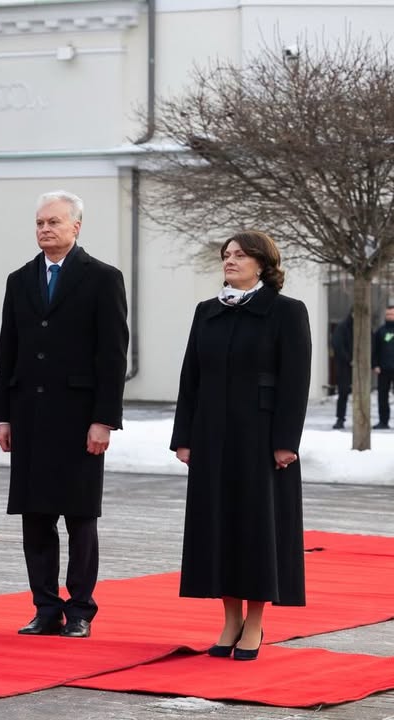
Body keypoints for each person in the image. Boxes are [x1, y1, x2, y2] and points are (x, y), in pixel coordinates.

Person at [0, 190, 128, 639]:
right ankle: (45, 607)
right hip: (29, 416)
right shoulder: (19, 279)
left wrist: (104, 419)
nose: (45, 229)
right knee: (36, 516)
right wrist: (3, 415)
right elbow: (7, 349)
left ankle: (81, 609)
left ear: (76, 227)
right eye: (39, 223)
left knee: (79, 516)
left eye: (53, 222)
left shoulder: (102, 278)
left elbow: (112, 354)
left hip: (78, 418)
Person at [171, 230, 311, 662]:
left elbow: (295, 381)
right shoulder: (207, 311)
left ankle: (254, 621)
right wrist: (184, 437)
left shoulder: (286, 312)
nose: (229, 261)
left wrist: (286, 441)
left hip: (261, 440)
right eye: (226, 255)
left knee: (256, 528)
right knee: (219, 527)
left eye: (239, 255)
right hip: (212, 437)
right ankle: (229, 619)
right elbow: (190, 376)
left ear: (263, 264)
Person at [373, 303, 394, 429]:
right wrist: (375, 365)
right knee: (382, 397)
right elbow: (375, 350)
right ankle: (383, 421)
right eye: (388, 314)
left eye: (392, 314)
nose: (389, 316)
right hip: (383, 370)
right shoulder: (380, 331)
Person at [331, 313, 352, 429]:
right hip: (344, 365)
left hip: (359, 365)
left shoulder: (365, 327)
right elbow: (337, 344)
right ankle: (340, 418)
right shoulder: (342, 327)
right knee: (343, 393)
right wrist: (349, 359)